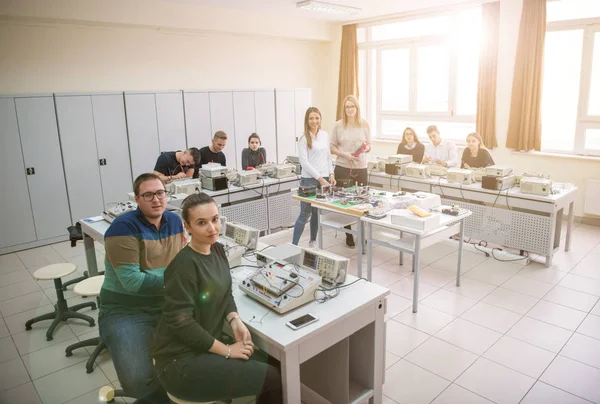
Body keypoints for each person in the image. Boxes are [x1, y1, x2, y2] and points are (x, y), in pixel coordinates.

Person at [152, 193, 282, 403]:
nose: (212, 228)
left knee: (275, 362)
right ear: (188, 226)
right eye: (202, 223)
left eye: (215, 220)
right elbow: (181, 323)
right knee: (273, 378)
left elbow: (225, 291)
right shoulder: (183, 266)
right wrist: (228, 350)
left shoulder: (218, 250)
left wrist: (235, 320)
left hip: (203, 345)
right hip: (179, 361)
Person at [99, 173, 185, 404]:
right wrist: (179, 283)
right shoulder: (122, 228)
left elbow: (180, 264)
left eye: (160, 193)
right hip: (125, 309)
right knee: (136, 379)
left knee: (200, 352)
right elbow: (133, 282)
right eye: (148, 195)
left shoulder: (175, 222)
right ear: (137, 199)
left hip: (165, 302)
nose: (156, 199)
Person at [330, 95, 371, 249]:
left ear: (357, 108)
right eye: (347, 107)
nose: (350, 110)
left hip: (360, 167)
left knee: (362, 201)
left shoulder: (365, 125)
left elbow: (369, 145)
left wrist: (365, 149)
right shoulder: (338, 126)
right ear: (344, 109)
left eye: (352, 106)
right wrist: (345, 155)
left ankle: (362, 234)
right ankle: (348, 234)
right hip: (342, 167)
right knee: (345, 202)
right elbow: (332, 147)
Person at [292, 107, 336, 247]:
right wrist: (320, 179)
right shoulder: (304, 138)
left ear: (320, 119)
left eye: (317, 118)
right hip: (309, 180)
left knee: (316, 213)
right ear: (307, 120)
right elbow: (304, 163)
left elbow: (328, 157)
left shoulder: (324, 135)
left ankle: (312, 242)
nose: (314, 121)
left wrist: (331, 174)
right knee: (305, 214)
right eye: (311, 118)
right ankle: (293, 246)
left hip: (324, 179)